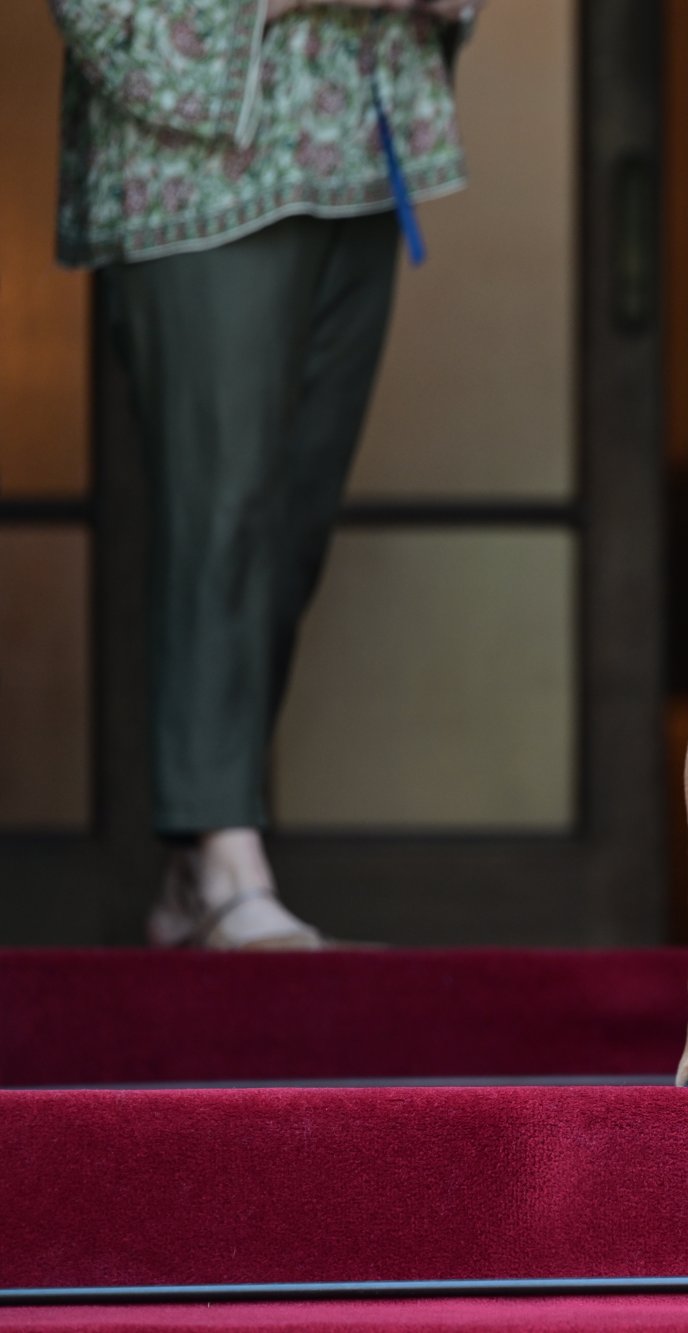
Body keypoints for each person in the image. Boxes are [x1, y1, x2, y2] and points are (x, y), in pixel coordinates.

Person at [49, 0, 476, 948]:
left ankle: (196, 869)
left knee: (291, 521)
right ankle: (225, 855)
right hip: (197, 160)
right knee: (224, 507)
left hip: (358, 151)